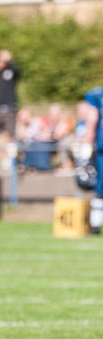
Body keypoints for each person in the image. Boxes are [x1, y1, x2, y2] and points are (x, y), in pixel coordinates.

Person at [80, 87, 103, 233]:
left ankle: (95, 225)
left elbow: (92, 119)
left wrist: (86, 147)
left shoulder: (96, 95)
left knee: (100, 189)